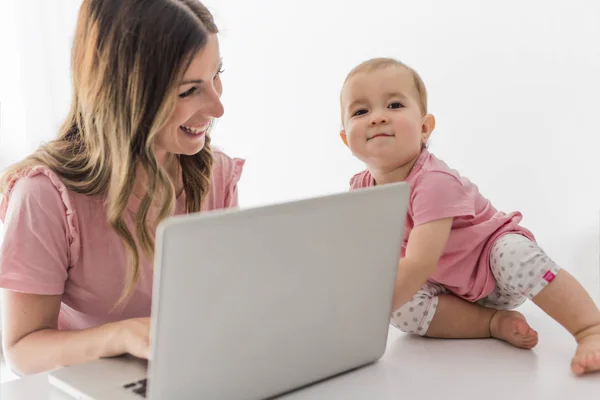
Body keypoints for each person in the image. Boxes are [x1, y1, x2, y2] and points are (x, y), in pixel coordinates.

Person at [0, 0, 244, 376]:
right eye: (188, 90)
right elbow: (22, 349)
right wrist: (121, 336)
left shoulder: (217, 175)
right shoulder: (44, 196)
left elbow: (226, 302)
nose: (217, 107)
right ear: (125, 95)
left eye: (217, 76)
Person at [339, 57, 600, 376]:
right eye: (361, 111)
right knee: (402, 310)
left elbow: (419, 263)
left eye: (394, 105)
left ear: (424, 128)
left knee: (512, 254)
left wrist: (363, 313)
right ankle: (490, 323)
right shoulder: (360, 189)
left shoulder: (433, 181)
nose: (377, 118)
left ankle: (591, 329)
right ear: (345, 138)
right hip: (447, 288)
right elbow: (364, 257)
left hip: (495, 271)